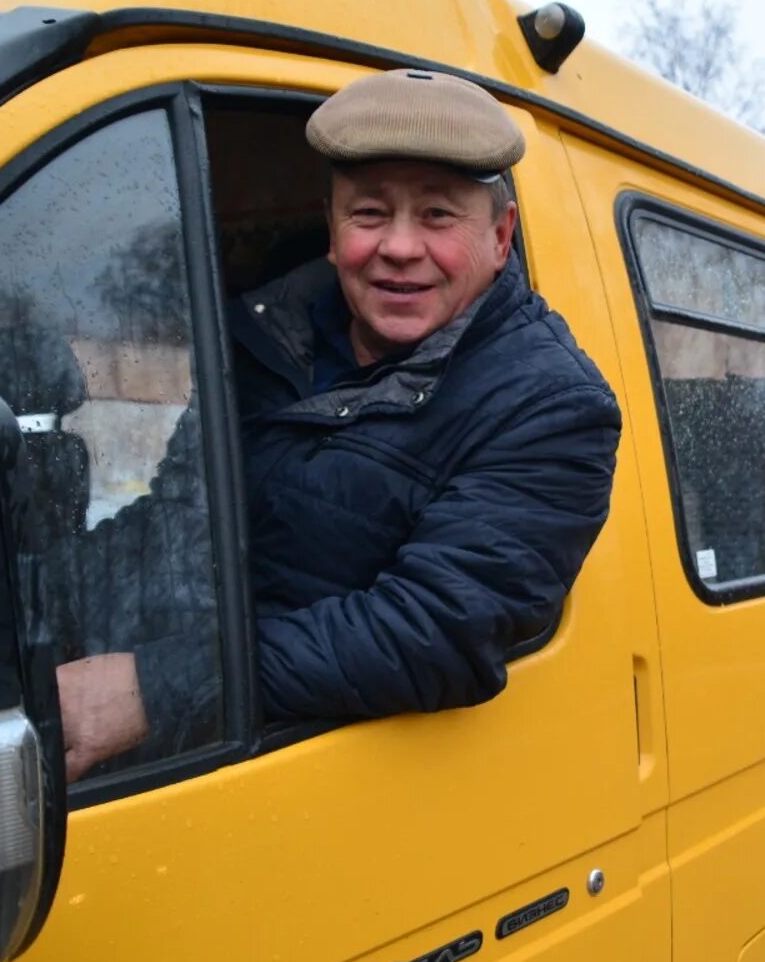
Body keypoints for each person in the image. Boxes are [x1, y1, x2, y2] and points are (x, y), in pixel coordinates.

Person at [57, 69, 621, 780]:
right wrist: (37, 598)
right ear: (332, 231)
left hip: (306, 783)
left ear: (501, 236)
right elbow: (177, 525)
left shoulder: (552, 404)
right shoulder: (258, 344)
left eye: (438, 216)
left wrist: (151, 689)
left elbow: (430, 633)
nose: (399, 246)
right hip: (191, 748)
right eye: (370, 214)